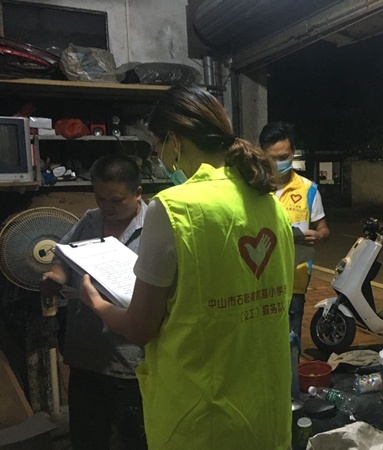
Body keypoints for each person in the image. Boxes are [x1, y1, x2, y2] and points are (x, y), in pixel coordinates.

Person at [79, 85, 295, 450]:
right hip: (266, 413)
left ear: (174, 140)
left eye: (157, 146)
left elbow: (140, 327)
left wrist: (97, 303)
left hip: (201, 417)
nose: (160, 157)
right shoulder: (268, 202)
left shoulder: (174, 208)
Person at [40, 154, 148, 450]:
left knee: (136, 439)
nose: (107, 207)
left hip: (130, 360)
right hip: (86, 354)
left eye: (116, 200)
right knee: (87, 438)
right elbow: (65, 256)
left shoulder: (155, 228)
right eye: (100, 198)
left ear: (138, 193)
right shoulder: (91, 219)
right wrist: (57, 275)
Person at [259, 121, 330, 341]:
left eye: (284, 157)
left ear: (293, 153)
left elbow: (324, 228)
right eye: (272, 158)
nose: (278, 163)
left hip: (294, 284)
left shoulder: (308, 190)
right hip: (258, 283)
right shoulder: (253, 188)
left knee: (290, 345)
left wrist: (319, 235)